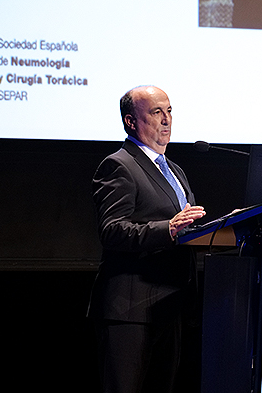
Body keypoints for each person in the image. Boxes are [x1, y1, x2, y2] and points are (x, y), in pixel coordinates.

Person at [88, 85, 206, 393]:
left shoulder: (175, 170)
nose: (166, 120)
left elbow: (183, 228)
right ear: (130, 121)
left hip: (170, 306)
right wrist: (167, 229)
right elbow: (112, 230)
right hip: (131, 311)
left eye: (169, 111)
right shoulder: (118, 165)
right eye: (156, 112)